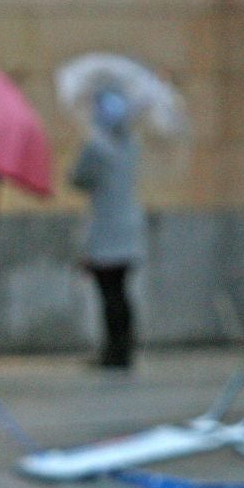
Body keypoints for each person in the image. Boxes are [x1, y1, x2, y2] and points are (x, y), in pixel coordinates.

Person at [71, 86, 145, 369]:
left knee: (109, 293)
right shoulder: (131, 144)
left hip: (105, 230)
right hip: (128, 228)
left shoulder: (96, 147)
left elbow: (78, 178)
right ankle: (123, 347)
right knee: (121, 292)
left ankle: (114, 351)